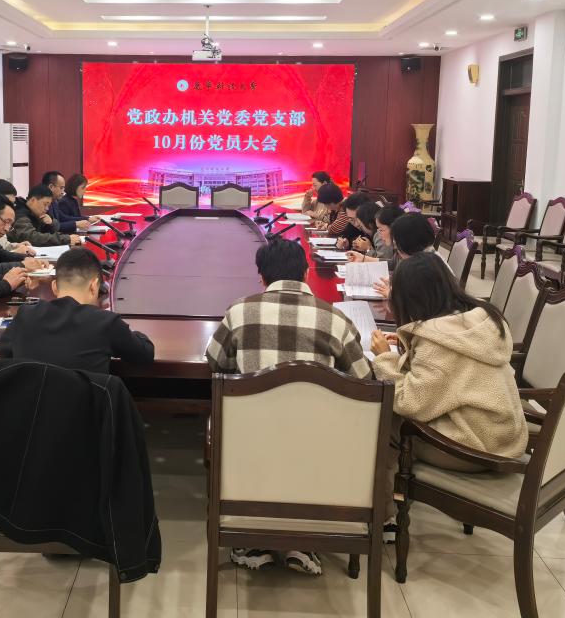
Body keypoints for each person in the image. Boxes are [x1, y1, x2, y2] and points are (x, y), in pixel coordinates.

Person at [205, 237, 368, 578]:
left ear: (261, 277)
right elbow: (364, 381)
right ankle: (303, 539)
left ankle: (252, 540)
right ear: (307, 273)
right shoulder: (335, 320)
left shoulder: (239, 312)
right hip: (317, 449)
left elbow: (217, 363)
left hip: (251, 444)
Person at [367, 252, 528, 529]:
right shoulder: (479, 318)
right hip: (502, 434)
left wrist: (385, 358)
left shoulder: (438, 339)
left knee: (383, 422)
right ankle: (385, 503)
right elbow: (445, 381)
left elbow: (410, 401)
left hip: (473, 446)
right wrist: (410, 349)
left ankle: (381, 515)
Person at [0, 248, 154, 374]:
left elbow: (5, 352)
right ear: (94, 286)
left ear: (54, 287)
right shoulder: (106, 322)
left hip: (29, 403)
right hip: (84, 405)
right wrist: (133, 333)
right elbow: (145, 354)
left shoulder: (25, 314)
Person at [347, 212, 441, 298]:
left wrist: (392, 295)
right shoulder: (421, 255)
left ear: (407, 240)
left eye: (396, 239)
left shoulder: (424, 265)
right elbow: (392, 264)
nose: (394, 243)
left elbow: (416, 301)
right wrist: (363, 258)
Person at [11, 184, 83, 247]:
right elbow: (32, 237)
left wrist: (51, 222)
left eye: (48, 205)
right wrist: (66, 239)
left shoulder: (37, 213)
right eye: (45, 204)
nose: (47, 208)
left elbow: (53, 230)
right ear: (33, 200)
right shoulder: (20, 214)